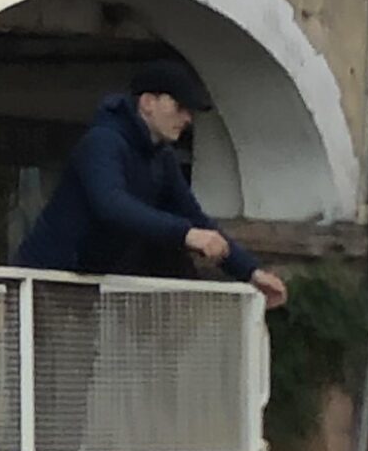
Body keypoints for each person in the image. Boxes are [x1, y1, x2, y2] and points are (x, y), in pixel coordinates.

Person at [16, 60, 288, 307]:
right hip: (45, 280)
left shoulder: (161, 158)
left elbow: (194, 217)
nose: (187, 118)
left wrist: (251, 272)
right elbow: (111, 205)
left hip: (90, 286)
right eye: (179, 107)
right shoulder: (102, 142)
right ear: (147, 102)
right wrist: (186, 234)